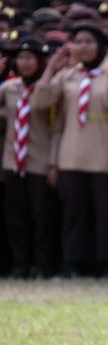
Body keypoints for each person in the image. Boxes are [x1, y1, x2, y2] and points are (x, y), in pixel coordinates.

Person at [34, 20, 108, 278]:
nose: (84, 47)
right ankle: (72, 263)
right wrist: (50, 71)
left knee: (106, 215)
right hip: (71, 156)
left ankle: (107, 264)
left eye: (89, 42)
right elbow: (41, 103)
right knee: (74, 214)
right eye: (79, 42)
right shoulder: (68, 75)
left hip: (106, 156)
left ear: (102, 46)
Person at [0, 36, 61, 278]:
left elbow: (41, 106)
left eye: (30, 58)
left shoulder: (50, 86)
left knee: (42, 216)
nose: (24, 63)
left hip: (39, 159)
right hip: (11, 159)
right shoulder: (9, 88)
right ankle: (20, 264)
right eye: (21, 58)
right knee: (15, 216)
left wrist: (54, 162)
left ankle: (42, 265)